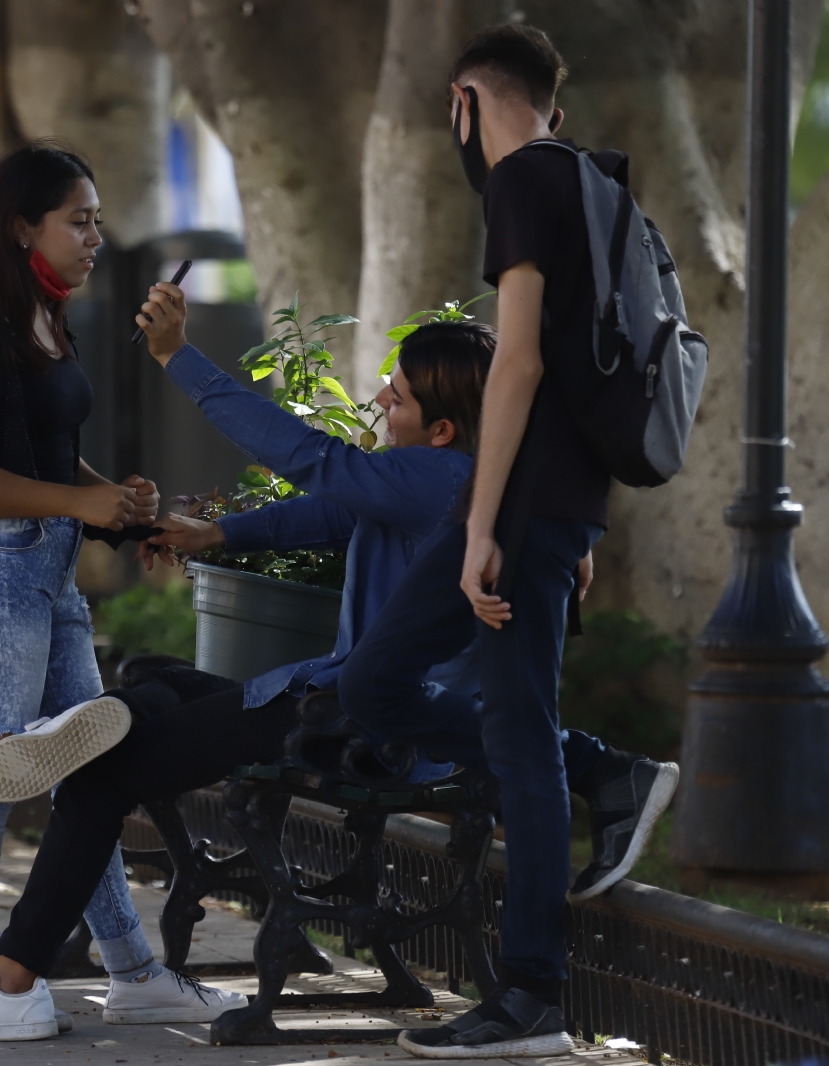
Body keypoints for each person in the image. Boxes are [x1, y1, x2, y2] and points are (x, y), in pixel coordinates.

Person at [0, 289, 667, 1041]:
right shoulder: (454, 484)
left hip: (352, 725)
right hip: (325, 703)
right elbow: (338, 508)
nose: (382, 401)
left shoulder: (440, 481)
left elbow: (311, 462)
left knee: (101, 779)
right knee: (162, 680)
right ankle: (96, 726)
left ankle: (9, 982)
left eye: (397, 396)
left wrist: (179, 356)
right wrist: (218, 536)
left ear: (443, 432)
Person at [335, 24, 681, 1059]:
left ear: (462, 101)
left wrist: (488, 522)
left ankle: (531, 992)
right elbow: (590, 369)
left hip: (519, 513)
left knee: (516, 738)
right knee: (378, 683)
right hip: (548, 508)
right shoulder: (587, 180)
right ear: (550, 104)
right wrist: (567, 524)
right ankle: (607, 773)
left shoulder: (522, 181)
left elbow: (519, 364)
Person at [0, 142, 240, 1042]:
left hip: (42, 571)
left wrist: (115, 506)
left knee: (94, 765)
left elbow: (39, 458)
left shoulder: (46, 317)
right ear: (20, 227)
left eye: (97, 219)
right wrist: (78, 502)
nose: (94, 236)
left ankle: (131, 972)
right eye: (77, 219)